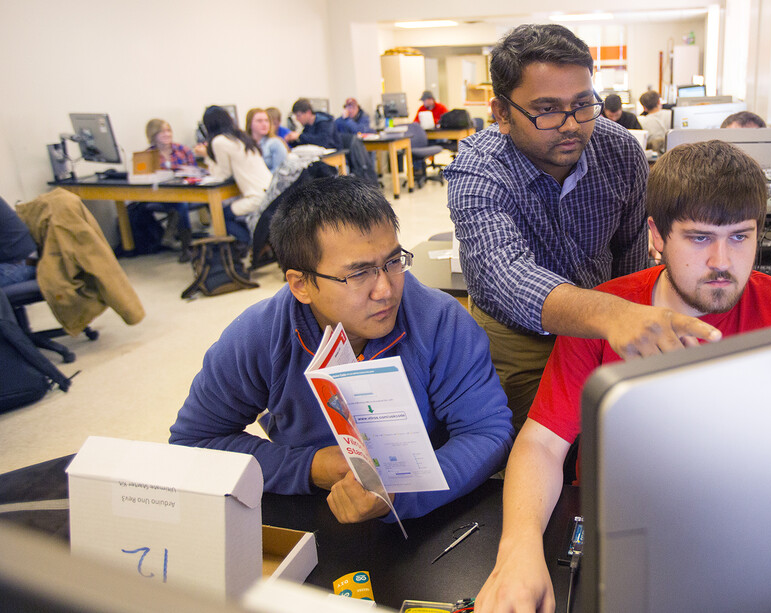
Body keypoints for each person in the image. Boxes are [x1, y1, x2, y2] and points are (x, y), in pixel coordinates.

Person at [473, 140, 771, 612]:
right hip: (617, 525)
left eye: (740, 236)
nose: (722, 261)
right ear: (656, 236)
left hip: (741, 528)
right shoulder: (603, 314)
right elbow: (542, 443)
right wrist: (518, 548)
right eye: (699, 238)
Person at [169, 175, 514, 523]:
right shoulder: (258, 335)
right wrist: (310, 467)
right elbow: (193, 442)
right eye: (359, 273)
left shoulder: (440, 320)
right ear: (302, 284)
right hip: (307, 508)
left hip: (432, 519)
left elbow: (488, 433)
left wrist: (402, 494)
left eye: (393, 261)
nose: (386, 290)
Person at [445, 24, 722, 431]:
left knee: (617, 438)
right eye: (546, 109)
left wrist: (629, 312)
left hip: (610, 321)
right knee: (527, 444)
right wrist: (612, 313)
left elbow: (631, 251)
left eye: (582, 103)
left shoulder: (619, 149)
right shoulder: (478, 171)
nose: (572, 124)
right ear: (502, 113)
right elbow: (504, 273)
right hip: (521, 336)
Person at [193, 106, 272, 246]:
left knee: (220, 215)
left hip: (257, 197)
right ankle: (256, 243)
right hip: (270, 192)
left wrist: (206, 155)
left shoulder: (219, 141)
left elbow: (222, 175)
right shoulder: (241, 136)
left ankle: (251, 244)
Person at [144, 119, 199, 255]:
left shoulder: (183, 150)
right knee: (180, 204)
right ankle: (187, 245)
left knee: (180, 204)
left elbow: (197, 173)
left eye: (169, 130)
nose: (167, 134)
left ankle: (179, 240)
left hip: (186, 191)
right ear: (153, 135)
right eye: (162, 131)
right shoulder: (148, 155)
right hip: (162, 194)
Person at [245, 108, 288, 172]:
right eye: (259, 121)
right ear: (250, 124)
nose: (264, 124)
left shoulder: (275, 143)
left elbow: (279, 172)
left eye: (266, 121)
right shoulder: (244, 145)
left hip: (269, 180)